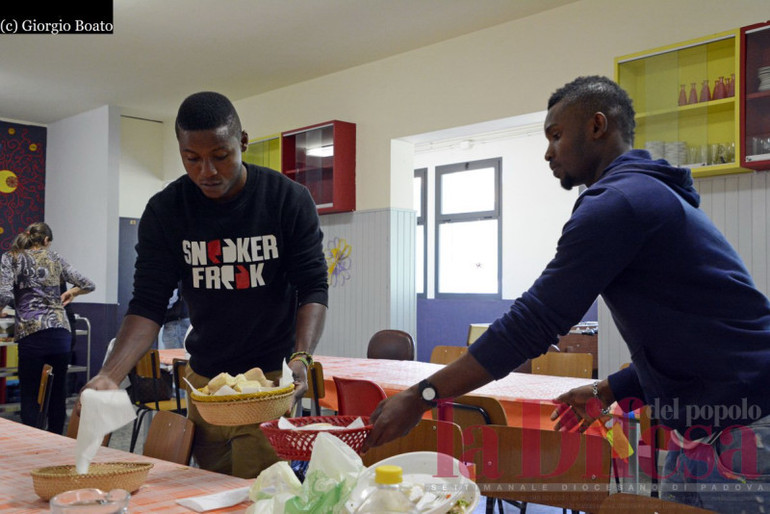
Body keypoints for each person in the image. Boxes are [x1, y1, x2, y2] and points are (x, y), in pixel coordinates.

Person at [363, 76, 770, 512]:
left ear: (597, 126)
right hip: (706, 429)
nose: (548, 151)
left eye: (556, 135)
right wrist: (611, 388)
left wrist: (422, 394)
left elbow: (533, 323)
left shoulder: (619, 203)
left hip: (743, 426)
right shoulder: (643, 195)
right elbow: (691, 334)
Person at [83, 91, 328, 478]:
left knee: (259, 497)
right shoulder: (166, 211)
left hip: (266, 386)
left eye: (220, 155)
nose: (206, 171)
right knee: (208, 490)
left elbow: (313, 287)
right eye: (192, 158)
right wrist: (110, 374)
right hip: (204, 385)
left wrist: (301, 357)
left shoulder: (286, 199)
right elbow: (148, 304)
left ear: (242, 142)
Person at [0, 222, 95, 433]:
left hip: (31, 333)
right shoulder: (57, 258)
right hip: (60, 333)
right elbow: (89, 284)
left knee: (30, 394)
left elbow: (5, 295)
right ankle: (57, 443)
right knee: (57, 393)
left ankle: (33, 443)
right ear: (45, 241)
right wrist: (73, 293)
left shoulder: (11, 258)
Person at [158, 283, 190, 350]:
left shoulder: (172, 278)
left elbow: (170, 300)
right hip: (183, 319)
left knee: (174, 355)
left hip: (176, 322)